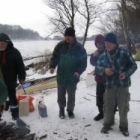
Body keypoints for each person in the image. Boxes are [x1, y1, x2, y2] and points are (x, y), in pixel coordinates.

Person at [96, 32, 137, 136]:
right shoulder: (103, 56)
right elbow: (97, 68)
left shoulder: (124, 53)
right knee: (108, 107)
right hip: (109, 86)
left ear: (115, 43)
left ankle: (124, 127)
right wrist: (104, 70)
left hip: (122, 86)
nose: (106, 45)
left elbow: (133, 65)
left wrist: (126, 73)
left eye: (109, 42)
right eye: (105, 42)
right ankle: (107, 124)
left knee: (123, 107)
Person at [50, 27, 87, 119]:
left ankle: (70, 110)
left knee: (71, 95)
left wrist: (79, 71)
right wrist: (52, 66)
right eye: (66, 36)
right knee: (61, 95)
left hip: (72, 77)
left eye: (69, 36)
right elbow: (55, 57)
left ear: (73, 37)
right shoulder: (60, 46)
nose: (67, 38)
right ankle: (61, 110)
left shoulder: (79, 48)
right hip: (61, 76)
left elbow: (83, 62)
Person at [0, 33, 26, 120]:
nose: (1, 45)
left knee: (12, 97)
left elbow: (20, 66)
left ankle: (15, 114)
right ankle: (2, 111)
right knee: (1, 98)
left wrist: (22, 77)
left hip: (11, 80)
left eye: (2, 43)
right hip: (0, 82)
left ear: (7, 43)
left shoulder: (15, 52)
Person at [90, 34, 105, 121]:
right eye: (98, 43)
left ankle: (110, 114)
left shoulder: (108, 52)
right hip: (99, 80)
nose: (100, 45)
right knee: (99, 98)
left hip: (108, 81)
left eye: (101, 43)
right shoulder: (95, 53)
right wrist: (94, 56)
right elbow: (92, 63)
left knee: (109, 99)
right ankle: (101, 113)